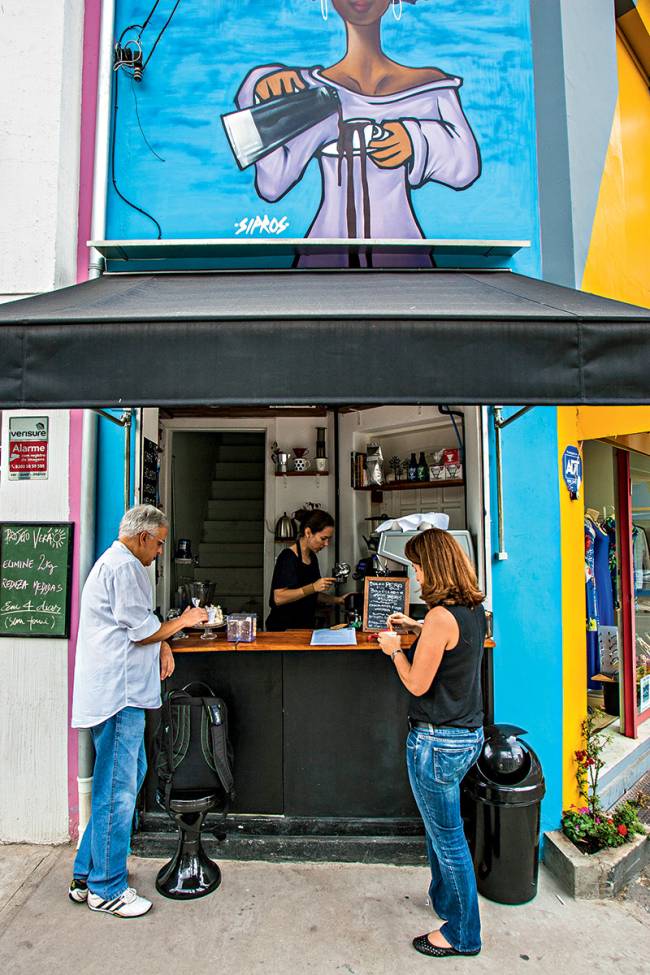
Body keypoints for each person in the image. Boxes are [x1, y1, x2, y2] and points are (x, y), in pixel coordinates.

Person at [233, 0, 480, 266]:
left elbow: (466, 167)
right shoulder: (308, 90)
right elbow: (272, 185)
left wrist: (413, 139)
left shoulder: (430, 86)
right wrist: (260, 94)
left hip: (404, 260)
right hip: (323, 260)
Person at [69, 504, 208, 918]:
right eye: (160, 543)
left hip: (115, 694)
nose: (161, 551)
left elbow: (140, 625)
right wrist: (185, 621)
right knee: (118, 790)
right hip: (120, 696)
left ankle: (86, 874)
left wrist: (162, 640)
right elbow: (142, 631)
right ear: (143, 536)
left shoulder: (114, 564)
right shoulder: (126, 568)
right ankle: (107, 888)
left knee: (121, 782)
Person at [378, 528, 485, 958]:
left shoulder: (441, 616)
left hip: (437, 742)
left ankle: (463, 933)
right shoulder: (472, 609)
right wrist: (416, 626)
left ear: (434, 567)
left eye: (418, 567)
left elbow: (417, 684)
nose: (416, 575)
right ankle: (446, 902)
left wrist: (394, 650)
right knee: (443, 833)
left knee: (448, 840)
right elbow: (451, 639)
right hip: (467, 736)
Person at [266, 508, 345, 630]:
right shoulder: (288, 557)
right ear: (308, 532)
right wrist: (313, 587)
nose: (326, 544)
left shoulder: (312, 557)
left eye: (328, 539)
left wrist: (338, 600)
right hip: (283, 630)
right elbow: (278, 598)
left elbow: (311, 594)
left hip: (304, 627)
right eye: (323, 538)